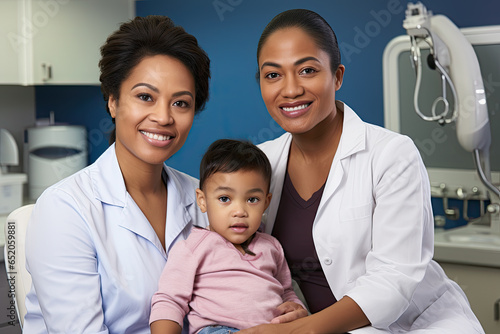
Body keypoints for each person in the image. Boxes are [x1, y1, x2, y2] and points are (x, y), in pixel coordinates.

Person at [239, 8, 485, 334]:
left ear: (337, 76)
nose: (291, 89)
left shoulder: (391, 155)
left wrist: (305, 329)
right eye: (273, 75)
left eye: (308, 70)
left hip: (418, 325)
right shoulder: (261, 164)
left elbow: (393, 277)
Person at [23, 15, 211, 333]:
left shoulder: (205, 200)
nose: (163, 117)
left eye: (181, 103)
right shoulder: (65, 209)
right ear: (113, 101)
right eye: (145, 97)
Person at [149, 139, 307, 334]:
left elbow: (286, 291)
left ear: (266, 202)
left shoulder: (272, 246)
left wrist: (295, 306)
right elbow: (170, 300)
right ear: (202, 201)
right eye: (225, 199)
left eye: (252, 199)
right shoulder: (193, 248)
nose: (239, 211)